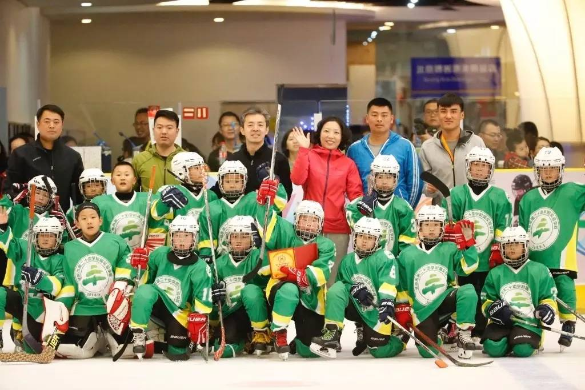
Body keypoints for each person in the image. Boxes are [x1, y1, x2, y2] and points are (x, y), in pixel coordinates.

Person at [519, 147, 585, 350]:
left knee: (564, 286)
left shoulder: (573, 192)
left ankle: (568, 323)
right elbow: (522, 230)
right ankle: (534, 331)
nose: (548, 173)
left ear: (561, 170)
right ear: (537, 171)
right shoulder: (528, 198)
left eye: (553, 169)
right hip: (536, 261)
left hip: (562, 259)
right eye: (543, 169)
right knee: (536, 295)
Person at [310, 217, 403, 359]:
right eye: (360, 236)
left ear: (377, 240)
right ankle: (332, 333)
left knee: (379, 350)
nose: (364, 241)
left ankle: (401, 338)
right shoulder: (347, 260)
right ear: (355, 237)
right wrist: (353, 287)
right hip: (356, 308)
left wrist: (387, 301)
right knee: (336, 289)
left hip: (377, 310)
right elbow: (340, 289)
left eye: (369, 237)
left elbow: (388, 283)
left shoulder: (385, 257)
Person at [444, 147, 512, 339]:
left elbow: (502, 226)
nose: (480, 170)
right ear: (468, 167)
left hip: (488, 259)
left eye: (484, 166)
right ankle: (459, 328)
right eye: (476, 165)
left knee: (485, 294)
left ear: (490, 170)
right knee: (464, 293)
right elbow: (449, 228)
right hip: (465, 260)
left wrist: (498, 249)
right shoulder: (456, 194)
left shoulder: (499, 196)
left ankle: (482, 329)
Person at [397, 205, 479, 359]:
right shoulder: (406, 254)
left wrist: (469, 243)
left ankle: (463, 333)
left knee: (467, 291)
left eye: (436, 224)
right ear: (419, 227)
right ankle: (440, 333)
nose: (431, 229)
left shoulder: (450, 248)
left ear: (442, 227)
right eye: (427, 224)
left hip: (444, 301)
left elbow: (468, 268)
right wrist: (403, 308)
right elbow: (401, 286)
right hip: (422, 309)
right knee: (428, 353)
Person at [56, 202, 136, 359]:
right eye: (84, 218)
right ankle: (98, 337)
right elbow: (68, 282)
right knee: (70, 349)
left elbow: (126, 264)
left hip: (112, 308)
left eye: (93, 217)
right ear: (77, 223)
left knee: (127, 350)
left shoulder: (116, 241)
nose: (89, 221)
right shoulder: (69, 248)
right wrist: (62, 308)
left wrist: (120, 286)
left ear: (100, 220)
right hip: (83, 307)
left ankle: (106, 333)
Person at [128, 215, 213, 361]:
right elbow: (144, 280)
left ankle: (160, 340)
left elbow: (202, 295)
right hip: (156, 303)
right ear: (171, 237)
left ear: (194, 238)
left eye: (186, 236)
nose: (181, 240)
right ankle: (138, 333)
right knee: (146, 291)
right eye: (177, 236)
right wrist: (139, 268)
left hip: (178, 312)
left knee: (177, 352)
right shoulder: (159, 254)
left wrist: (199, 316)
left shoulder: (200, 267)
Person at [290, 117, 363, 280]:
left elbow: (356, 195)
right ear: (319, 133)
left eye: (336, 132)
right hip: (308, 225)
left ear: (342, 137)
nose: (331, 136)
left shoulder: (348, 164)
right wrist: (303, 150)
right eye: (326, 131)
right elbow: (297, 179)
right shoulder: (308, 156)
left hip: (338, 228)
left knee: (332, 276)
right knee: (306, 276)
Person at [262, 200, 335, 359]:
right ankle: (279, 332)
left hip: (310, 297)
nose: (309, 224)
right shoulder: (285, 231)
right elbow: (266, 218)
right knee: (290, 289)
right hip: (282, 290)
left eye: (314, 220)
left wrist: (300, 274)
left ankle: (299, 341)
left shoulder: (326, 244)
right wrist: (264, 202)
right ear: (296, 219)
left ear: (320, 224)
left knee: (309, 351)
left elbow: (323, 272)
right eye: (304, 219)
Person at [481, 226, 558, 358]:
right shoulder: (495, 273)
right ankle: (509, 340)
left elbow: (549, 296)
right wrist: (494, 310)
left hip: (528, 322)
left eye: (517, 244)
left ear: (525, 246)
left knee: (522, 350)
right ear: (502, 247)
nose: (512, 248)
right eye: (508, 245)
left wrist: (546, 308)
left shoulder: (539, 270)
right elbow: (486, 301)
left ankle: (519, 340)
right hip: (501, 323)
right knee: (493, 348)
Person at [0, 215, 65, 353]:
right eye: (42, 235)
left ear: (58, 238)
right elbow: (8, 244)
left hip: (41, 313)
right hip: (22, 303)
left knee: (31, 350)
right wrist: (3, 226)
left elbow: (56, 287)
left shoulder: (60, 259)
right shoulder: (26, 249)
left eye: (50, 235)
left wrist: (38, 278)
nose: (46, 239)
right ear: (35, 236)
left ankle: (20, 334)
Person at [197, 160, 287, 259]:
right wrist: (207, 257)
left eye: (237, 181)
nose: (232, 185)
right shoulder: (211, 208)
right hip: (225, 264)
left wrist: (271, 181)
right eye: (227, 181)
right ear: (220, 182)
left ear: (244, 181)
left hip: (252, 261)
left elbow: (279, 204)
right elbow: (207, 242)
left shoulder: (255, 200)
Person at [3, 105, 84, 212]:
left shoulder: (73, 157)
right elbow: (9, 189)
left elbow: (79, 194)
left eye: (56, 122)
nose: (51, 126)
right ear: (38, 124)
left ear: (62, 125)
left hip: (61, 220)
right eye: (47, 121)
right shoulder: (21, 154)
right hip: (28, 219)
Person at [210, 216, 271, 357]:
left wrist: (264, 249)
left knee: (251, 292)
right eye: (234, 236)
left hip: (258, 311)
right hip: (232, 313)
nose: (238, 240)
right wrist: (214, 297)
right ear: (228, 238)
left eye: (244, 236)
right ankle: (245, 340)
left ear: (252, 239)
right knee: (222, 349)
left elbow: (269, 280)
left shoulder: (258, 257)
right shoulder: (218, 263)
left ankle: (262, 332)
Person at [347, 98, 423, 208]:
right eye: (374, 115)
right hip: (365, 217)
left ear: (392, 119)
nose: (379, 119)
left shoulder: (405, 146)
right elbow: (350, 185)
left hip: (397, 216)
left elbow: (415, 184)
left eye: (384, 115)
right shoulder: (355, 149)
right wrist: (358, 212)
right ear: (367, 119)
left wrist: (405, 211)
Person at [419, 94, 485, 205]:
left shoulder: (476, 143)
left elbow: (488, 177)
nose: (448, 116)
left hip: (471, 209)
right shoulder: (427, 147)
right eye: (443, 111)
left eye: (454, 111)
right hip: (441, 212)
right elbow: (423, 183)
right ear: (439, 114)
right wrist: (428, 189)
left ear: (462, 115)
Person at [346, 154, 416, 258]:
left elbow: (407, 242)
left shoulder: (403, 207)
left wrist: (400, 263)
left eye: (388, 177)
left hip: (392, 264)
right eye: (380, 177)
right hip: (366, 262)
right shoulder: (357, 204)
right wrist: (362, 212)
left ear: (395, 179)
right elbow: (355, 229)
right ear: (373, 177)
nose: (384, 181)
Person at [220, 107, 292, 198]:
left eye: (260, 125)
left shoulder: (278, 159)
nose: (255, 129)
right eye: (250, 125)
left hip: (268, 211)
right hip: (239, 212)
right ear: (242, 130)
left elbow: (286, 195)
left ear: (266, 130)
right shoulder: (232, 160)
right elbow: (221, 190)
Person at [151, 152, 218, 240]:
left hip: (204, 247)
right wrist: (163, 203)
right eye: (196, 168)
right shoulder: (172, 192)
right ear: (181, 172)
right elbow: (156, 214)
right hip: (180, 246)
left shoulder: (211, 195)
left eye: (202, 167)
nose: (202, 171)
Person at [92, 162, 159, 250]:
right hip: (114, 255)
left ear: (134, 180)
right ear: (112, 181)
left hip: (143, 257)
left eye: (127, 174)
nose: (122, 178)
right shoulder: (100, 203)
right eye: (118, 175)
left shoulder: (148, 199)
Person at [132, 110, 185, 194]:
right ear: (153, 130)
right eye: (159, 127)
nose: (164, 132)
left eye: (169, 128)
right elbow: (132, 194)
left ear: (177, 131)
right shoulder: (140, 159)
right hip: (151, 207)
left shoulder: (187, 159)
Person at [0, 175, 58, 240]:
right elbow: (1, 213)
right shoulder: (18, 211)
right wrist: (7, 199)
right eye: (37, 193)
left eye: (45, 195)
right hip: (16, 250)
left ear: (50, 199)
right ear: (29, 193)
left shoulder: (53, 221)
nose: (41, 198)